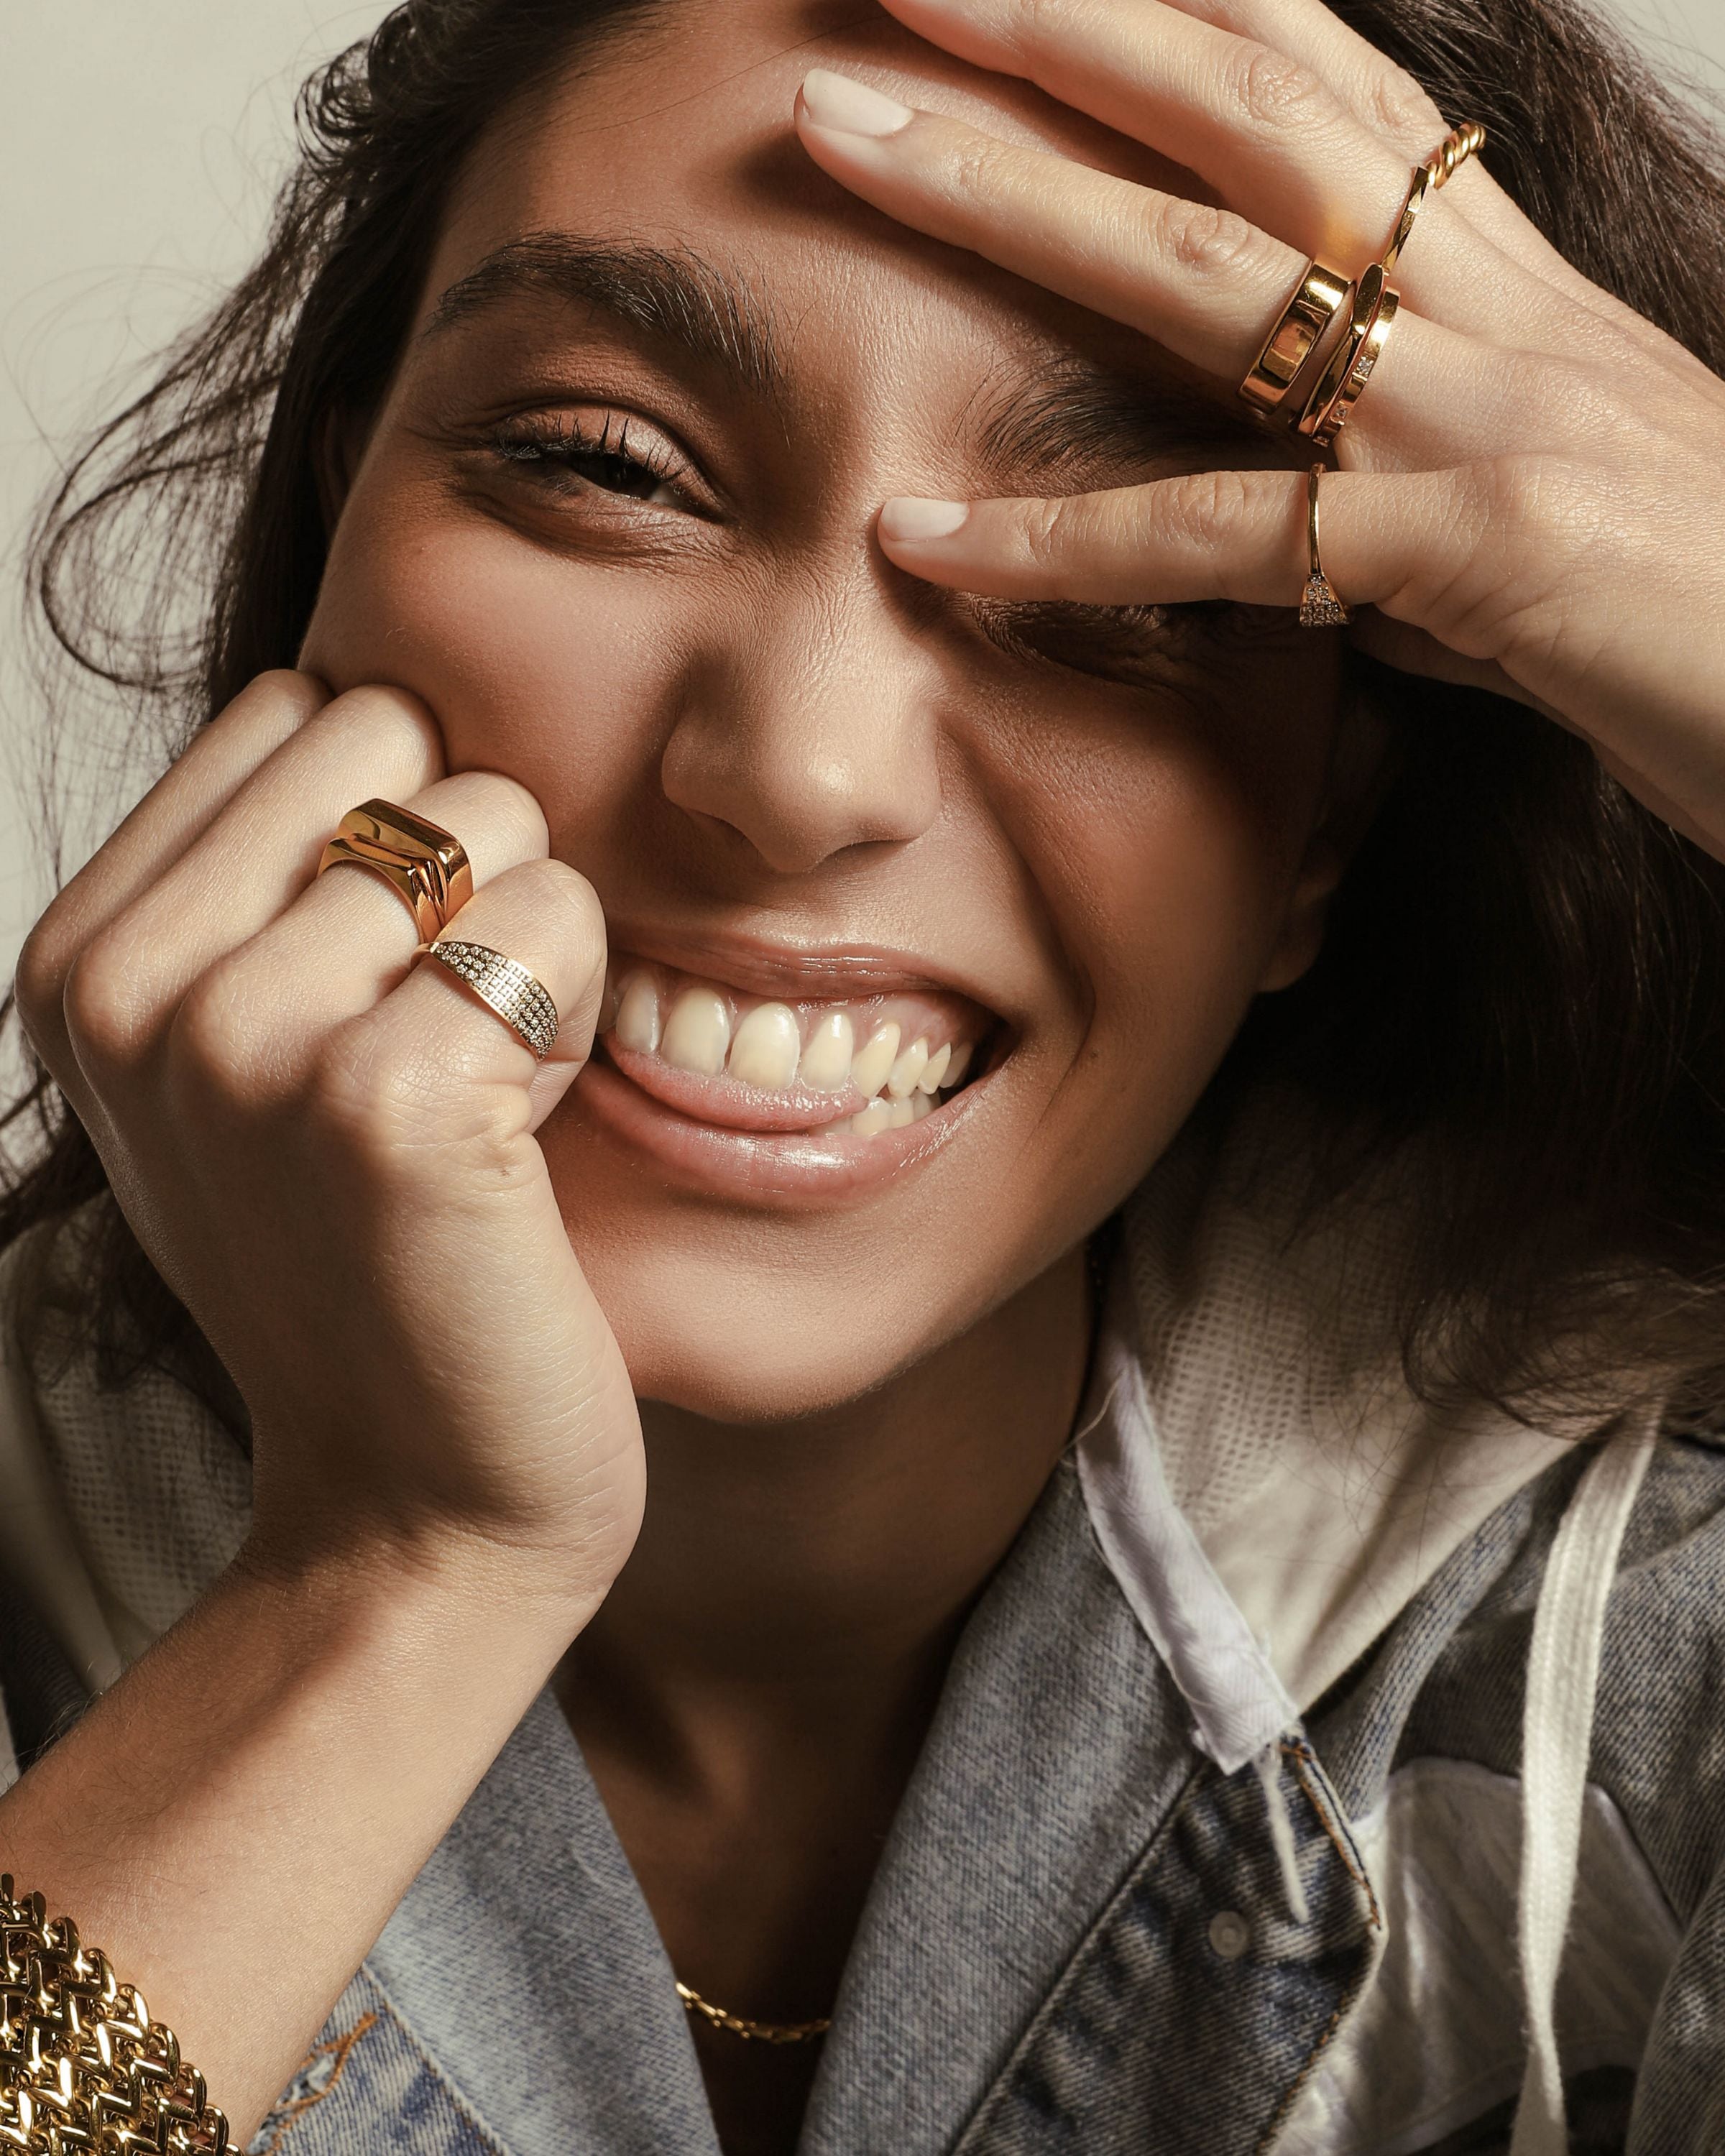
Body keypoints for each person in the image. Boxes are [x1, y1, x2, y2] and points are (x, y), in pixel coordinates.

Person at [3, 0, 1724, 2150]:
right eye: (608, 467)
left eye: (1141, 585)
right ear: (344, 516)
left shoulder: (1645, 1605)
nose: (800, 775)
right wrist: (393, 1580)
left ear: (1330, 828)